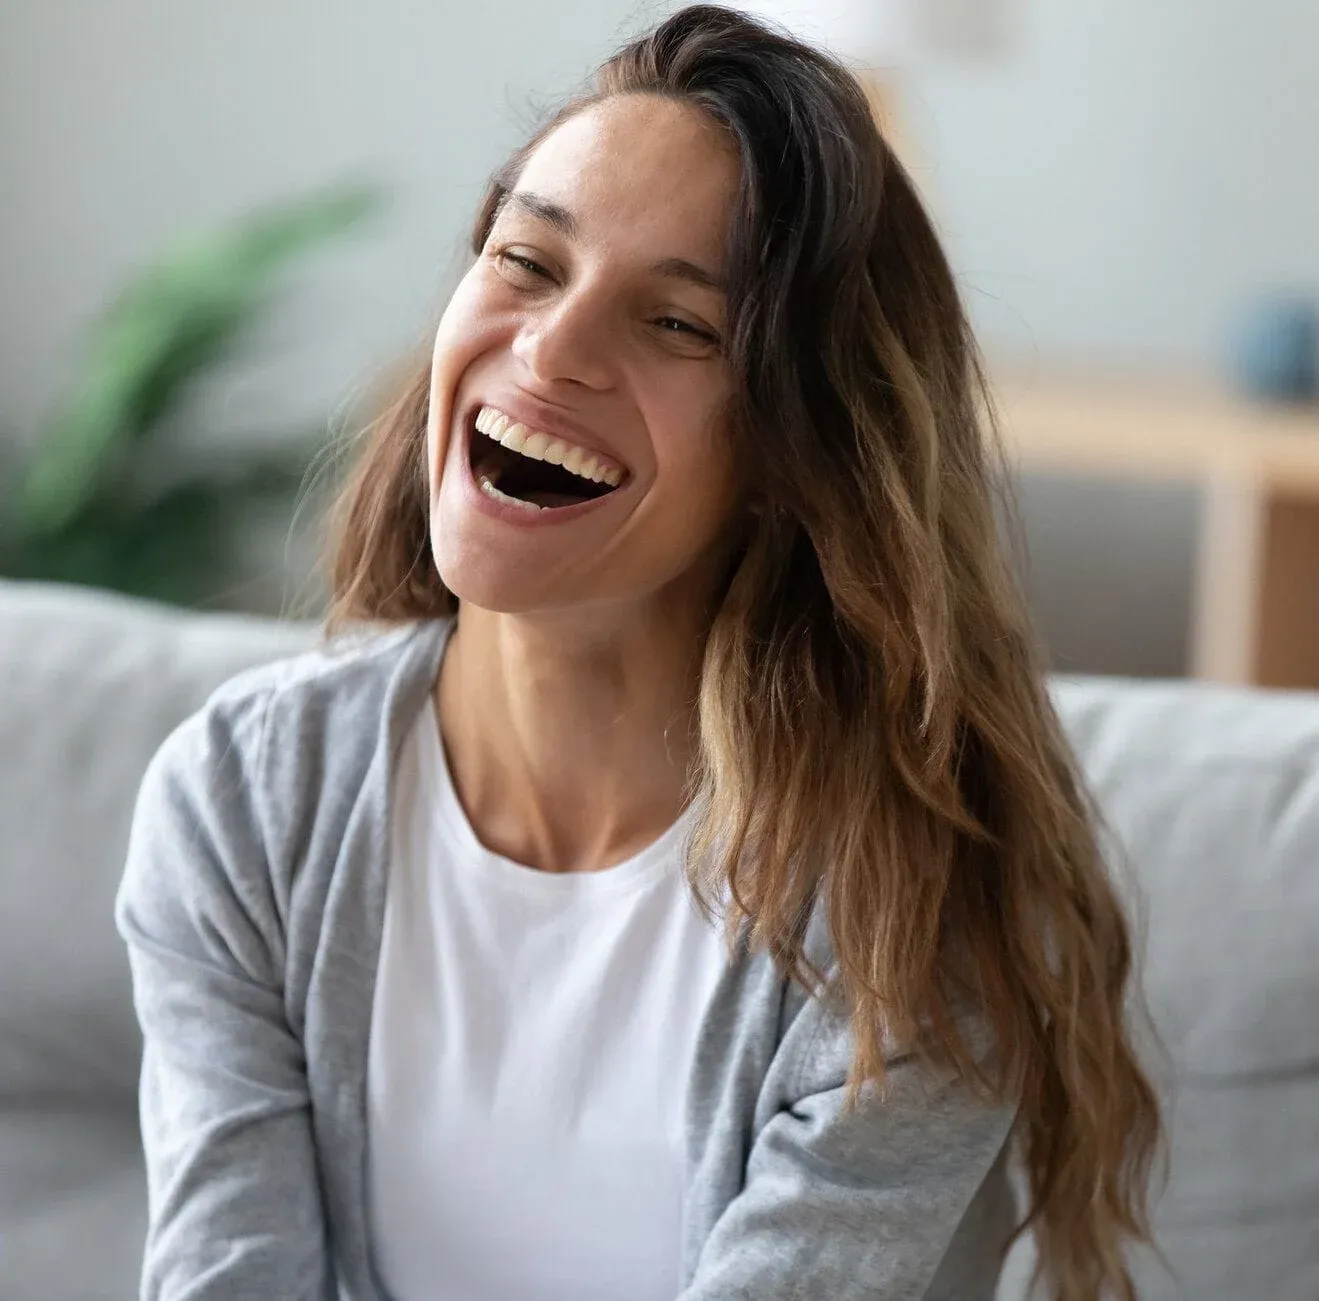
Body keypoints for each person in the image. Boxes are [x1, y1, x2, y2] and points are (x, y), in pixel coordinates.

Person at [116, 6, 1162, 1299]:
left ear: (798, 449)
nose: (549, 352)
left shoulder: (898, 903)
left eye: (676, 324)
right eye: (526, 262)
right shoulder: (247, 797)